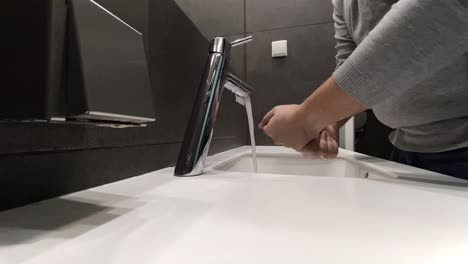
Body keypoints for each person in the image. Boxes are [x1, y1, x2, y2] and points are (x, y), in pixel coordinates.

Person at [259, 0, 468, 179]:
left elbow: (439, 11)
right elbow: (348, 62)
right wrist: (329, 121)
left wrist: (305, 119)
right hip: (405, 148)